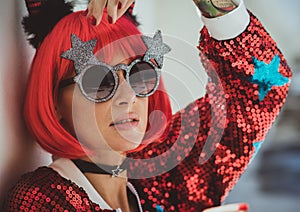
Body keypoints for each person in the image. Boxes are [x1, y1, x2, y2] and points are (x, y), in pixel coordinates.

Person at [2, 0, 292, 211]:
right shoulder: (43, 199)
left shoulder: (167, 170)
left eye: (140, 74)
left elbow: (262, 87)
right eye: (100, 80)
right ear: (54, 105)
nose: (129, 96)